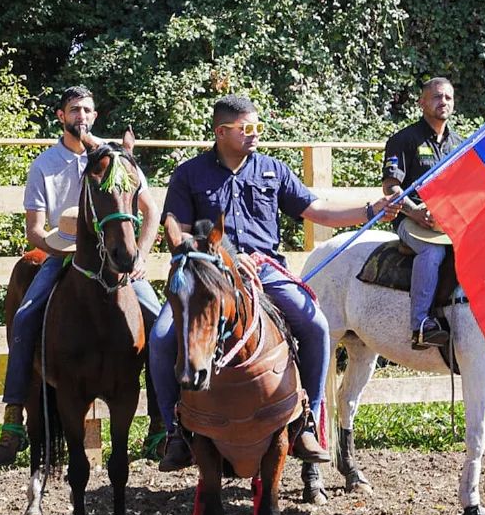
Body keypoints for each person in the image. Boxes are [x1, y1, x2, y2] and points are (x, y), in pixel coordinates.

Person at [153, 95, 400, 471]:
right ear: (221, 132)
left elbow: (317, 210)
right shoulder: (189, 174)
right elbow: (181, 235)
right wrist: (227, 259)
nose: (254, 135)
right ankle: (174, 433)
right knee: (160, 339)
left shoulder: (273, 169)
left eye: (257, 128)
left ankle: (308, 424)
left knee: (315, 326)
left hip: (266, 271)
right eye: (245, 129)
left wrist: (371, 210)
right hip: (211, 276)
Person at [0, 86, 165, 467]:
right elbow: (34, 230)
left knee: (159, 321)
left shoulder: (115, 158)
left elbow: (150, 211)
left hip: (118, 259)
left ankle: (162, 422)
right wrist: (60, 251)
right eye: (73, 110)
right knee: (24, 316)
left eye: (87, 109)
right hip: (64, 253)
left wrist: (143, 256)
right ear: (60, 116)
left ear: (95, 116)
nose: (81, 116)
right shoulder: (45, 165)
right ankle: (14, 415)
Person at [382, 77, 462, 350]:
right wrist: (414, 212)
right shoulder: (403, 140)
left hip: (449, 222)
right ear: (422, 103)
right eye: (438, 97)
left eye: (448, 97)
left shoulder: (460, 144)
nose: (444, 102)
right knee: (433, 253)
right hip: (411, 220)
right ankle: (420, 326)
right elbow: (391, 186)